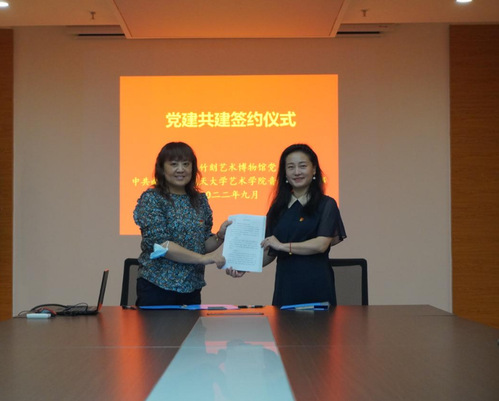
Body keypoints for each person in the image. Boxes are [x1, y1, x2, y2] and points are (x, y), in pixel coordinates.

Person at [227, 144, 346, 307]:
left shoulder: (326, 204)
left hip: (316, 283)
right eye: (291, 167)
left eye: (302, 166)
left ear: (314, 170)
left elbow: (321, 245)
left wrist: (283, 246)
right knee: (283, 323)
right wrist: (244, 266)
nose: (297, 172)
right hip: (286, 285)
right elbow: (270, 251)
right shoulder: (278, 208)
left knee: (319, 324)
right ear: (284, 173)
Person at [133, 142, 231, 306]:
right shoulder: (152, 199)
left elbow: (202, 244)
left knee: (193, 325)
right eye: (174, 164)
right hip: (158, 286)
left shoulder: (199, 200)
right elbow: (162, 245)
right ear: (162, 168)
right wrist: (202, 259)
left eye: (186, 164)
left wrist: (220, 236)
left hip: (192, 287)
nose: (181, 169)